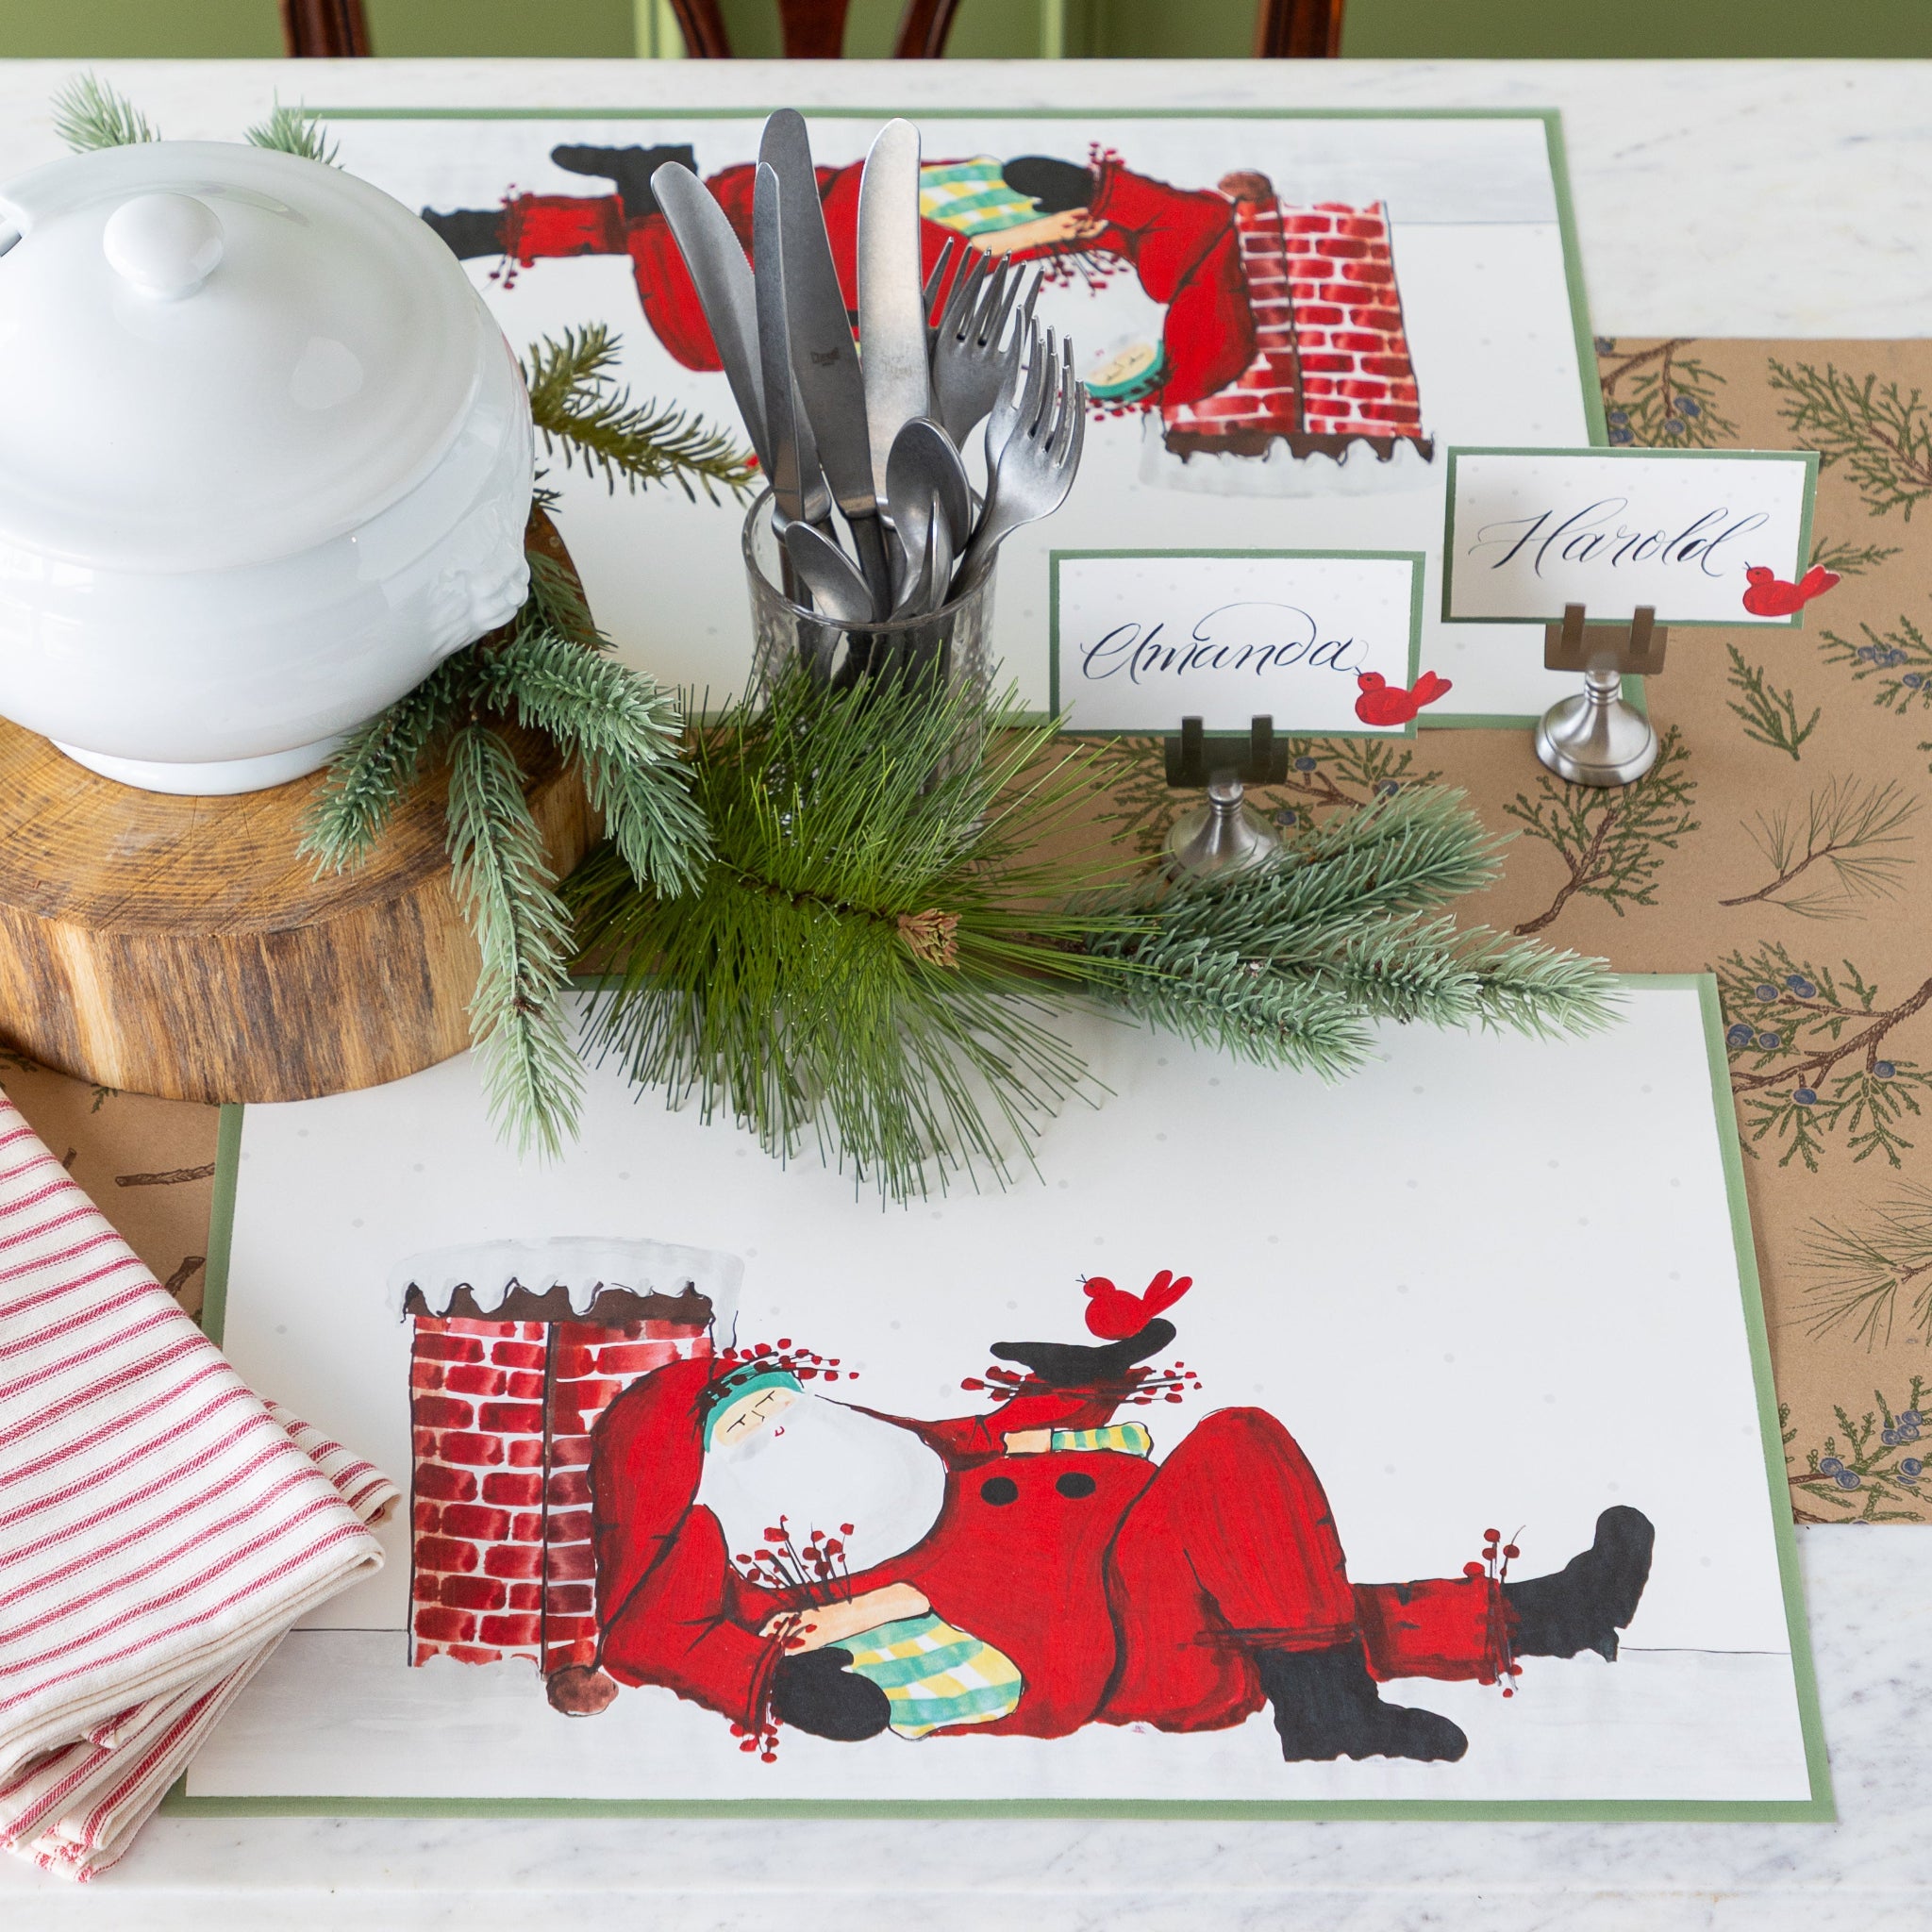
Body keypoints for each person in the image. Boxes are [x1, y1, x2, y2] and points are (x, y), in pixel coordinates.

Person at [551, 1279, 1655, 1765]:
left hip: (1143, 1580)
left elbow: (981, 1439)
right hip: (1090, 1642)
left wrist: (1087, 1381)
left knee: (1308, 1600)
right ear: (702, 1466)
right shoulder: (729, 1534)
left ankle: (1547, 1616)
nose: (773, 1419)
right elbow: (652, 1634)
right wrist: (779, 1683)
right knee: (1234, 1450)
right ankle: (1324, 1704)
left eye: (775, 1397)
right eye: (742, 1419)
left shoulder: (876, 1449)